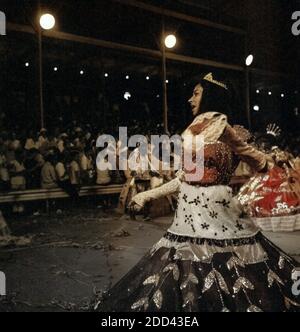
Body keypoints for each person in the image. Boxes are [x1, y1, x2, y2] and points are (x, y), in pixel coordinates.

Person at [96, 73, 300, 312]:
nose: (190, 100)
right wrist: (145, 195)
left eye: (196, 93)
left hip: (222, 217)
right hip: (190, 217)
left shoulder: (236, 133)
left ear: (211, 96)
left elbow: (259, 162)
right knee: (185, 272)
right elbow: (183, 179)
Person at [238, 126, 300, 232]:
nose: (263, 145)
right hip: (264, 177)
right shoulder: (263, 153)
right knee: (258, 198)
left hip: (277, 176)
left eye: (265, 142)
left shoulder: (277, 152)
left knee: (272, 198)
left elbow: (284, 161)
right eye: (261, 143)